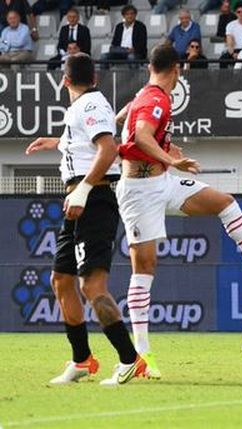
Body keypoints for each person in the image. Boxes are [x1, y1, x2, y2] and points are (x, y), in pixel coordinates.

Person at [115, 44, 242, 378]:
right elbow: (141, 136)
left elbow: (132, 131)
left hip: (163, 182)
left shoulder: (146, 95)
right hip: (140, 192)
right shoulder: (155, 99)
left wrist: (169, 153)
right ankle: (142, 355)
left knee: (226, 203)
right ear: (176, 68)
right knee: (144, 271)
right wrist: (172, 159)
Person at [25, 53, 146, 386]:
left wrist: (82, 191)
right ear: (94, 76)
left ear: (64, 80)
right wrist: (56, 142)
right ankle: (82, 360)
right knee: (61, 280)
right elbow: (84, 144)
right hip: (78, 198)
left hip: (91, 198)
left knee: (92, 286)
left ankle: (129, 359)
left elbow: (108, 149)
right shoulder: (83, 105)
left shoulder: (90, 105)